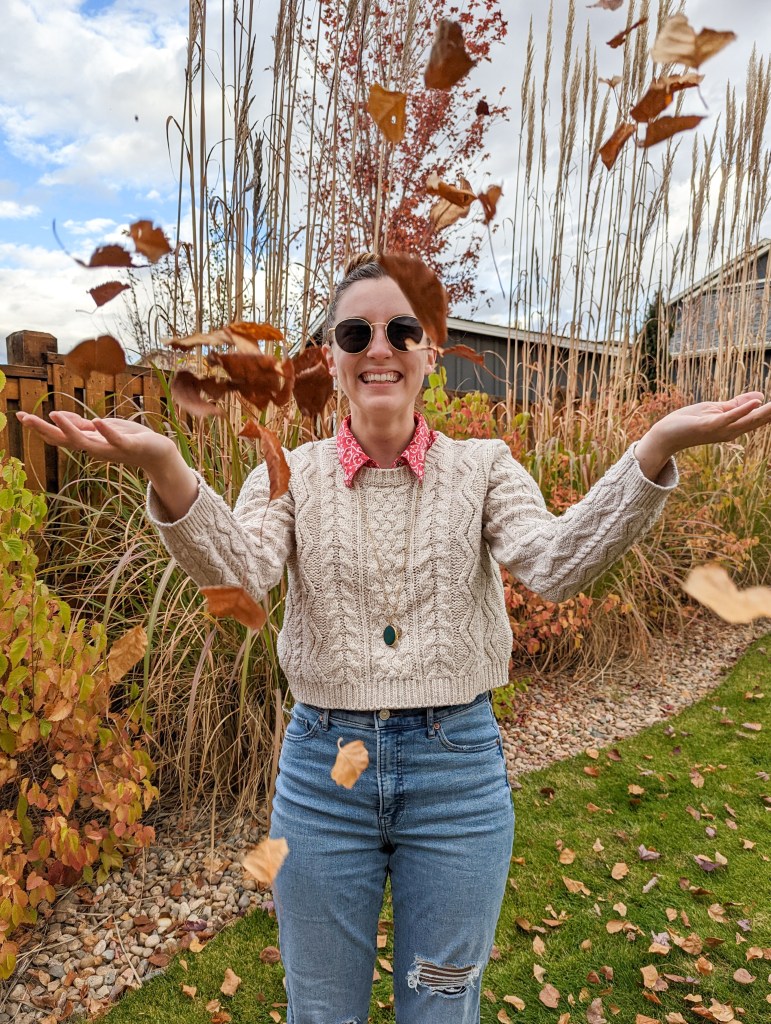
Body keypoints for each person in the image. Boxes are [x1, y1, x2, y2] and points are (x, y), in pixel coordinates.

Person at [15, 253, 771, 1024]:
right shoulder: (287, 474)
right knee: (320, 1009)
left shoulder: (484, 467)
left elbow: (557, 563)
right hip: (321, 785)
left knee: (442, 1001)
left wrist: (654, 450)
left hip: (458, 785)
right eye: (355, 331)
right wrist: (165, 462)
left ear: (430, 351)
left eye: (401, 329)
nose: (379, 347)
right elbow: (243, 574)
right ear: (330, 356)